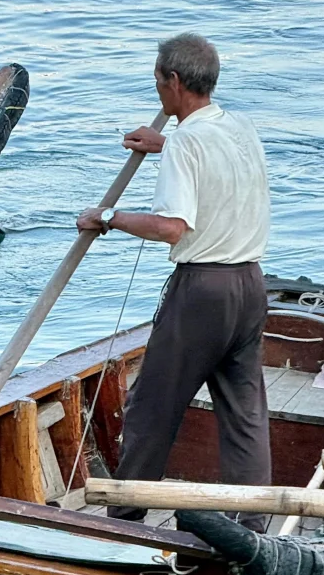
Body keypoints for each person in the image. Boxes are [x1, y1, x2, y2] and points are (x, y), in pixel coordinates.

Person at [76, 34, 271, 528]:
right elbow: (211, 156)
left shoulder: (187, 142)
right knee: (244, 414)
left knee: (150, 410)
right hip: (251, 287)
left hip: (203, 292)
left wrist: (109, 215)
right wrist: (164, 143)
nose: (158, 88)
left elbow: (171, 228)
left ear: (174, 81)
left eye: (157, 80)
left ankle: (124, 521)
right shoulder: (239, 126)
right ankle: (253, 528)